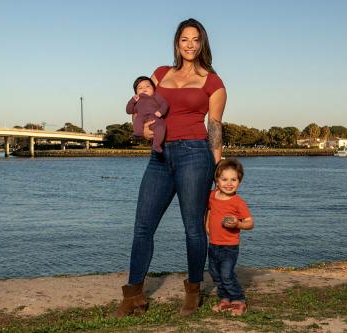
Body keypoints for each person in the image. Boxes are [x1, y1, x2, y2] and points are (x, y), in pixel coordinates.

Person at [116, 18, 227, 317]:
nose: (190, 45)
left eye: (195, 39)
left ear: (202, 43)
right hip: (159, 157)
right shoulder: (160, 74)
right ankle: (133, 296)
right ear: (177, 43)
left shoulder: (213, 82)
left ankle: (193, 292)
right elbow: (140, 106)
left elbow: (214, 128)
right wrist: (143, 131)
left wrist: (217, 169)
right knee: (142, 227)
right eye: (184, 39)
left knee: (193, 229)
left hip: (195, 155)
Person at [205, 158, 254, 316]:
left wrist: (238, 224)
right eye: (224, 179)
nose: (229, 183)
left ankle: (238, 299)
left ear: (239, 182)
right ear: (217, 181)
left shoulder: (238, 202)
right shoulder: (212, 196)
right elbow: (210, 210)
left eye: (234, 179)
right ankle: (225, 298)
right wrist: (206, 223)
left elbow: (250, 223)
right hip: (213, 243)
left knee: (226, 274)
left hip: (230, 246)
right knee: (215, 273)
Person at [126, 76, 168, 153]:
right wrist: (132, 101)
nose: (144, 88)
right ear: (136, 92)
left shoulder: (155, 96)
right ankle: (138, 133)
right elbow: (129, 111)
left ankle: (156, 145)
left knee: (161, 127)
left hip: (155, 119)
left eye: (147, 86)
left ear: (153, 88)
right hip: (141, 118)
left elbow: (164, 104)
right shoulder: (136, 100)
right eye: (140, 88)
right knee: (138, 121)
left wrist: (161, 112)